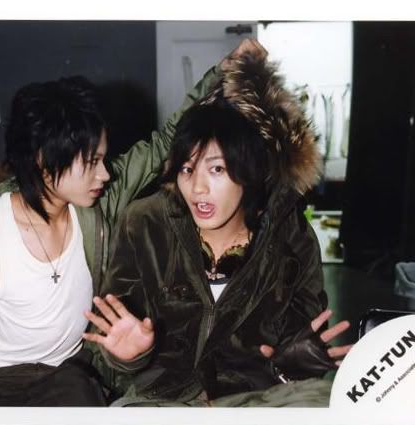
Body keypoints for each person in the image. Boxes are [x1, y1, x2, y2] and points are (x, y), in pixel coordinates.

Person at [0, 41, 256, 407]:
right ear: (43, 161)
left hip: (66, 377)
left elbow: (164, 144)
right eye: (91, 163)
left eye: (103, 160)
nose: (105, 174)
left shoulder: (99, 203)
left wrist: (224, 72)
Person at [83, 40, 353, 407]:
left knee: (322, 401)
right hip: (163, 399)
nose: (197, 188)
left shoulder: (291, 236)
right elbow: (112, 346)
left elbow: (299, 346)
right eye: (186, 169)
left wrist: (291, 368)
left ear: (250, 172)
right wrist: (129, 355)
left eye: (217, 169)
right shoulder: (145, 223)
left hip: (254, 398)